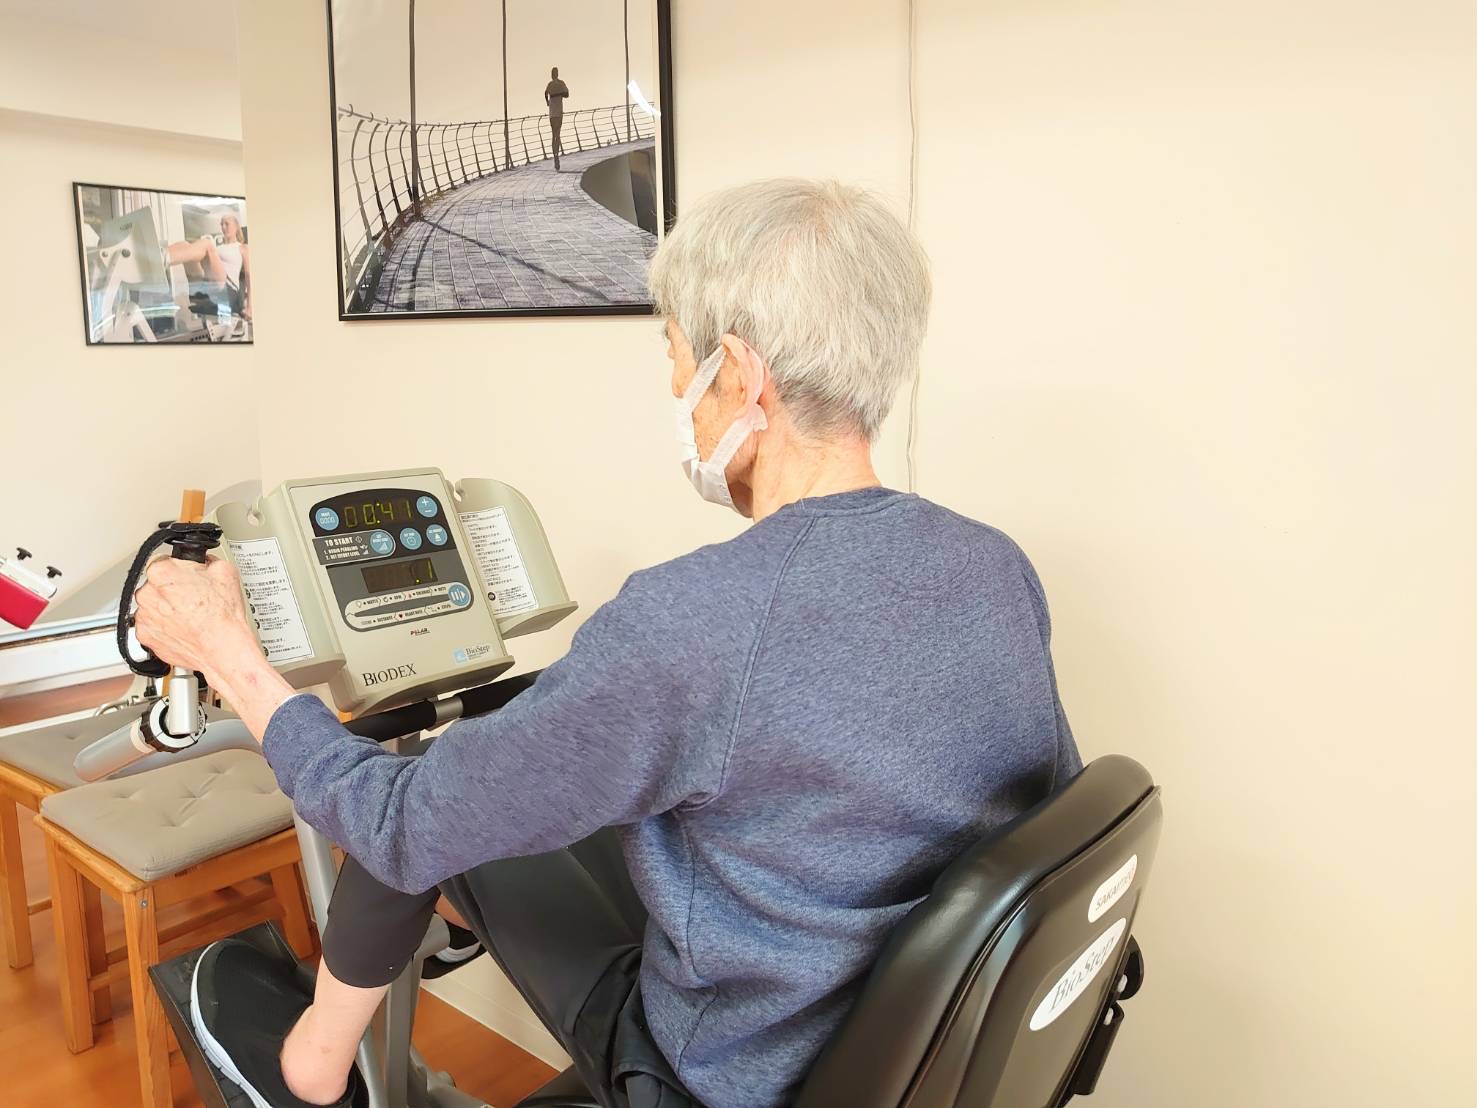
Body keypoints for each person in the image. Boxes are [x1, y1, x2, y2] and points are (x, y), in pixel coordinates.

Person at [134, 179, 1083, 1108]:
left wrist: (227, 653)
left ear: (739, 374)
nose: (676, 386)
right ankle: (391, 977)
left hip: (720, 1071)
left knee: (419, 803)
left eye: (676, 354)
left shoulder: (694, 618)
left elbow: (398, 824)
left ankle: (312, 1063)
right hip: (912, 1049)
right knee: (487, 795)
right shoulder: (991, 565)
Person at [164, 211, 253, 323]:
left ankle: (165, 257)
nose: (223, 227)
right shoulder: (218, 248)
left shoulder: (242, 247)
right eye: (221, 224)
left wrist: (250, 306)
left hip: (228, 289)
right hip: (208, 283)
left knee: (207, 243)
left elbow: (249, 275)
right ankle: (161, 255)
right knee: (185, 244)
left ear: (236, 226)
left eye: (227, 224)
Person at [545, 65, 570, 170]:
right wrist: (559, 94)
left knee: (553, 135)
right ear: (557, 74)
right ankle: (557, 155)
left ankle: (555, 155)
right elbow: (567, 94)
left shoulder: (550, 84)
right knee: (557, 135)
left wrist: (548, 102)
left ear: (552, 75)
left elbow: (545, 93)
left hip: (552, 114)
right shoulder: (561, 83)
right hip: (559, 113)